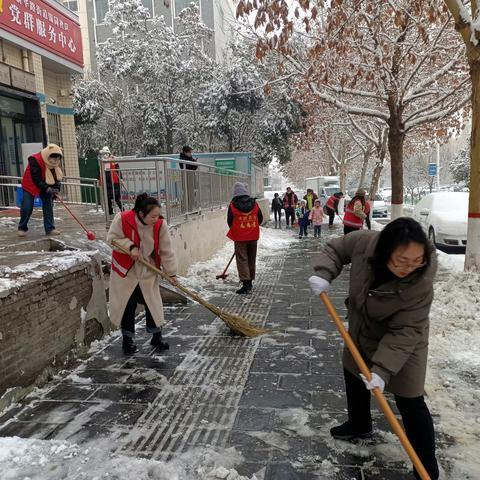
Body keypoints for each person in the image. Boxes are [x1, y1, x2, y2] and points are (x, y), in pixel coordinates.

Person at [309, 218, 439, 480]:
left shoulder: (420, 283)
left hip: (404, 341)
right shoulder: (365, 242)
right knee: (353, 370)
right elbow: (336, 249)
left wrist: (382, 370)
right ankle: (360, 425)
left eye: (417, 261)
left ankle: (426, 469)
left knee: (410, 400)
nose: (409, 267)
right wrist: (323, 272)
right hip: (363, 326)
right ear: (385, 250)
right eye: (402, 260)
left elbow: (405, 331)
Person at [107, 193, 178, 354]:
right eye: (153, 216)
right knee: (128, 304)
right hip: (126, 270)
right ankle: (127, 340)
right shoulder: (123, 219)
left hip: (147, 268)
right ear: (141, 214)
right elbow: (112, 239)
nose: (156, 218)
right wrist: (130, 247)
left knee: (152, 302)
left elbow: (166, 250)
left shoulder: (160, 225)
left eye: (158, 215)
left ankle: (156, 337)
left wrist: (172, 273)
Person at [18, 144, 63, 237]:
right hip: (30, 184)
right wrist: (47, 189)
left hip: (46, 185)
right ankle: (22, 227)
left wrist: (55, 189)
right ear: (48, 156)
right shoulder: (35, 160)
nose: (56, 161)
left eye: (58, 159)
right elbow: (36, 178)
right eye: (54, 159)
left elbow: (56, 178)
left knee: (48, 206)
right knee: (27, 206)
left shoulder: (54, 164)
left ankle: (50, 229)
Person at [227, 182, 263, 294]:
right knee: (251, 258)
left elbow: (229, 221)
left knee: (242, 260)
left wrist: (238, 230)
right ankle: (250, 282)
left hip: (240, 238)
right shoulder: (255, 204)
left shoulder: (233, 205)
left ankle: (245, 284)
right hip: (253, 236)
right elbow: (260, 218)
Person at [100, 146, 123, 215]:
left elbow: (118, 169)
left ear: (109, 153)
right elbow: (99, 171)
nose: (105, 155)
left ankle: (123, 210)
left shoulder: (113, 159)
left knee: (116, 197)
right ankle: (110, 211)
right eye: (104, 153)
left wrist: (120, 178)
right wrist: (100, 180)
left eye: (106, 153)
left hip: (114, 180)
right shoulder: (101, 161)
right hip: (106, 180)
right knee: (107, 197)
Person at [179, 146, 198, 212]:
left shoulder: (190, 158)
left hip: (191, 176)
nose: (190, 153)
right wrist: (193, 163)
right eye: (189, 152)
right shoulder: (182, 158)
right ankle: (185, 209)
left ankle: (190, 208)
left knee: (191, 192)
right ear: (185, 152)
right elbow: (188, 166)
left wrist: (194, 163)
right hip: (186, 177)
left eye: (191, 152)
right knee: (186, 192)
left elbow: (194, 167)